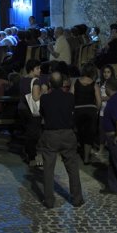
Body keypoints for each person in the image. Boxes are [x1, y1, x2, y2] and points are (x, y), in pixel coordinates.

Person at [37, 71, 85, 209]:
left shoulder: (45, 99)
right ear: (62, 83)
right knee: (72, 168)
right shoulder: (69, 97)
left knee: (48, 169)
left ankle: (49, 201)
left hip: (50, 135)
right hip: (67, 134)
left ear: (50, 84)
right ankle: (77, 199)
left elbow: (42, 113)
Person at [71, 63, 102, 164]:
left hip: (78, 110)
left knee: (77, 133)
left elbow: (71, 97)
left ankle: (74, 155)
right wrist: (95, 110)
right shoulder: (95, 84)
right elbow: (99, 101)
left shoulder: (75, 82)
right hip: (90, 111)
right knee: (89, 135)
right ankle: (86, 158)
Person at [18, 59, 43, 167]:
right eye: (38, 68)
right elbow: (36, 97)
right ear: (32, 69)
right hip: (32, 110)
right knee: (33, 134)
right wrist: (44, 91)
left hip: (22, 108)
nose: (40, 70)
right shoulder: (36, 81)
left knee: (28, 132)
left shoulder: (22, 80)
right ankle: (32, 157)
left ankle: (28, 153)